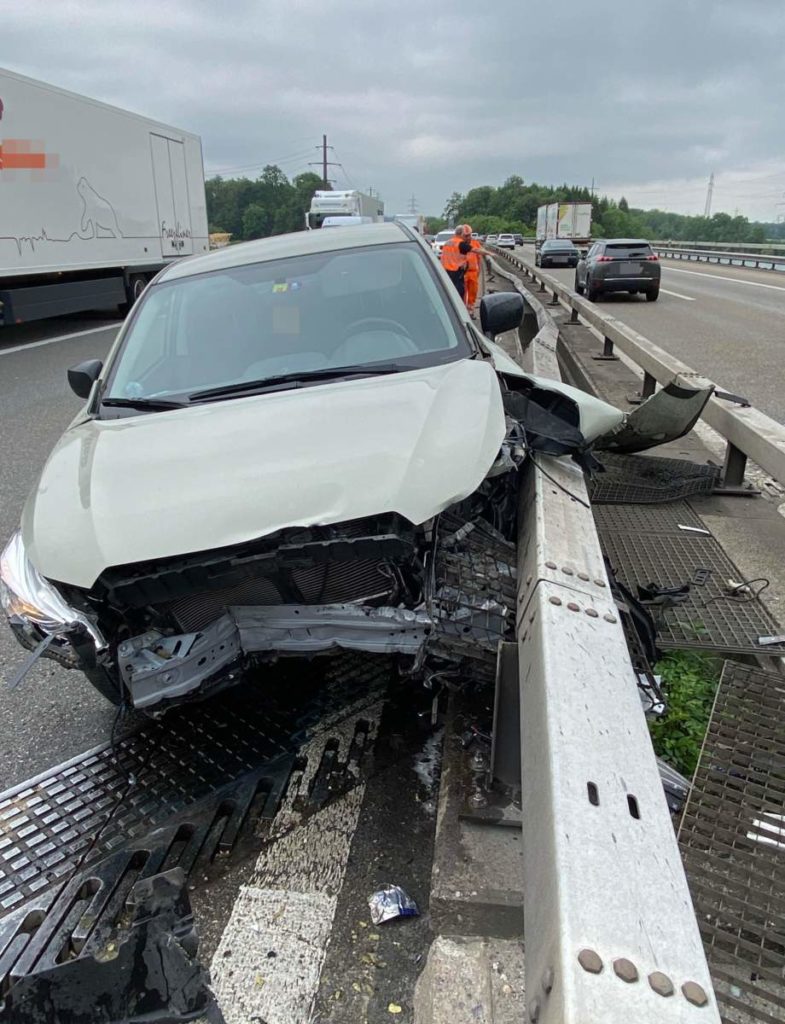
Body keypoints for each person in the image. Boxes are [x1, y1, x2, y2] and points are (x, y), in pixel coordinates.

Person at [440, 226, 470, 300]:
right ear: (461, 234)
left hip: (446, 271)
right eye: (465, 235)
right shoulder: (460, 243)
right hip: (456, 272)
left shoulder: (448, 243)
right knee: (458, 293)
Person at [461, 223, 484, 313]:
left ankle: (471, 309)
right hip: (463, 273)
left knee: (473, 292)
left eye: (469, 235)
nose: (468, 237)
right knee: (462, 292)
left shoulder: (475, 244)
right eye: (466, 236)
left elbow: (479, 258)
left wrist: (479, 271)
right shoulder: (459, 244)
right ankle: (462, 310)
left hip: (473, 272)